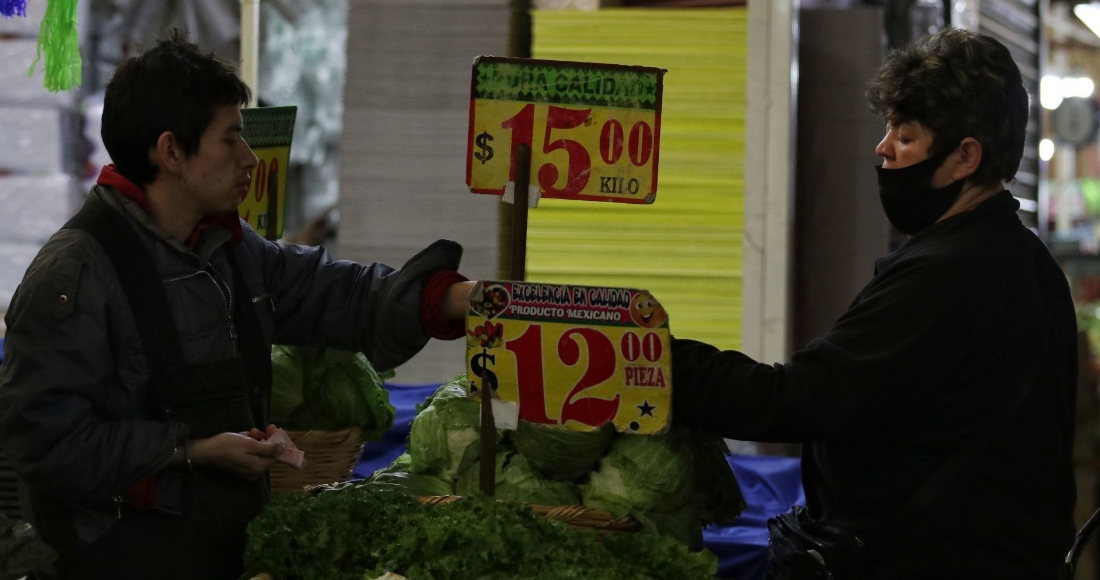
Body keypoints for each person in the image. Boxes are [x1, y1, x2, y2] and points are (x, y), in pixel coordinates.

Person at [0, 31, 475, 579]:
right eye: (230, 140)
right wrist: (191, 451)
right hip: (115, 561)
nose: (249, 159)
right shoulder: (76, 273)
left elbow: (332, 291)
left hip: (221, 551)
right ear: (171, 151)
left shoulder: (230, 249)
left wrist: (458, 299)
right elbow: (44, 440)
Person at [670, 28, 1076, 579]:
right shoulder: (1026, 259)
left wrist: (651, 361)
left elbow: (799, 398)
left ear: (965, 156)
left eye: (905, 136)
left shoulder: (953, 272)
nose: (883, 148)